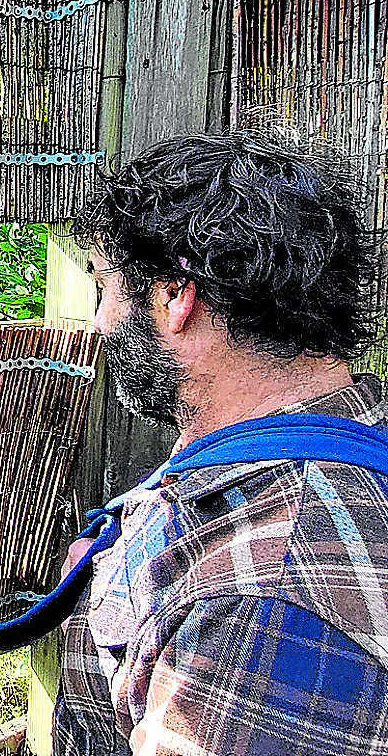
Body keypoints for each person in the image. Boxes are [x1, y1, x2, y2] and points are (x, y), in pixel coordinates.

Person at [53, 131, 388, 755]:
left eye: (104, 290)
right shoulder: (348, 447)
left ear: (175, 297)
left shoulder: (259, 609)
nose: (97, 323)